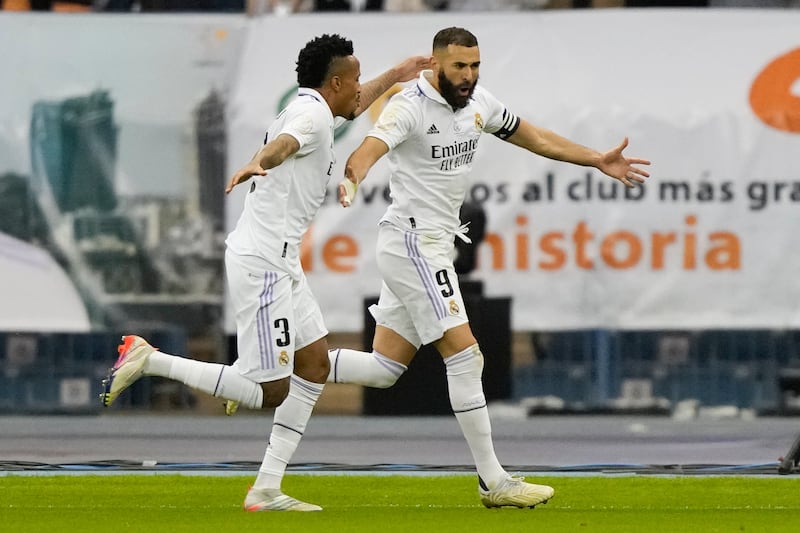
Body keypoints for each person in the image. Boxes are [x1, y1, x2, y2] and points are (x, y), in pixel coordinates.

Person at [100, 34, 429, 512]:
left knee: (313, 366)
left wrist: (398, 73)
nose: (361, 88)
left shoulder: (317, 105)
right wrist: (261, 160)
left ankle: (267, 488)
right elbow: (285, 145)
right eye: (356, 79)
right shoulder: (311, 116)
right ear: (335, 82)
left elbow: (349, 110)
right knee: (269, 389)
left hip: (280, 260)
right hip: (264, 263)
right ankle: (149, 359)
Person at [332, 26, 650, 508]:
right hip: (412, 244)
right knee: (466, 355)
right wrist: (353, 177)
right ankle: (493, 481)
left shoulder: (479, 102)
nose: (469, 75)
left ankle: (287, 367)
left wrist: (595, 159)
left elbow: (533, 135)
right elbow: (368, 149)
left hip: (431, 246)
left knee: (383, 369)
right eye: (460, 66)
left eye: (475, 65)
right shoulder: (409, 106)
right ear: (435, 64)